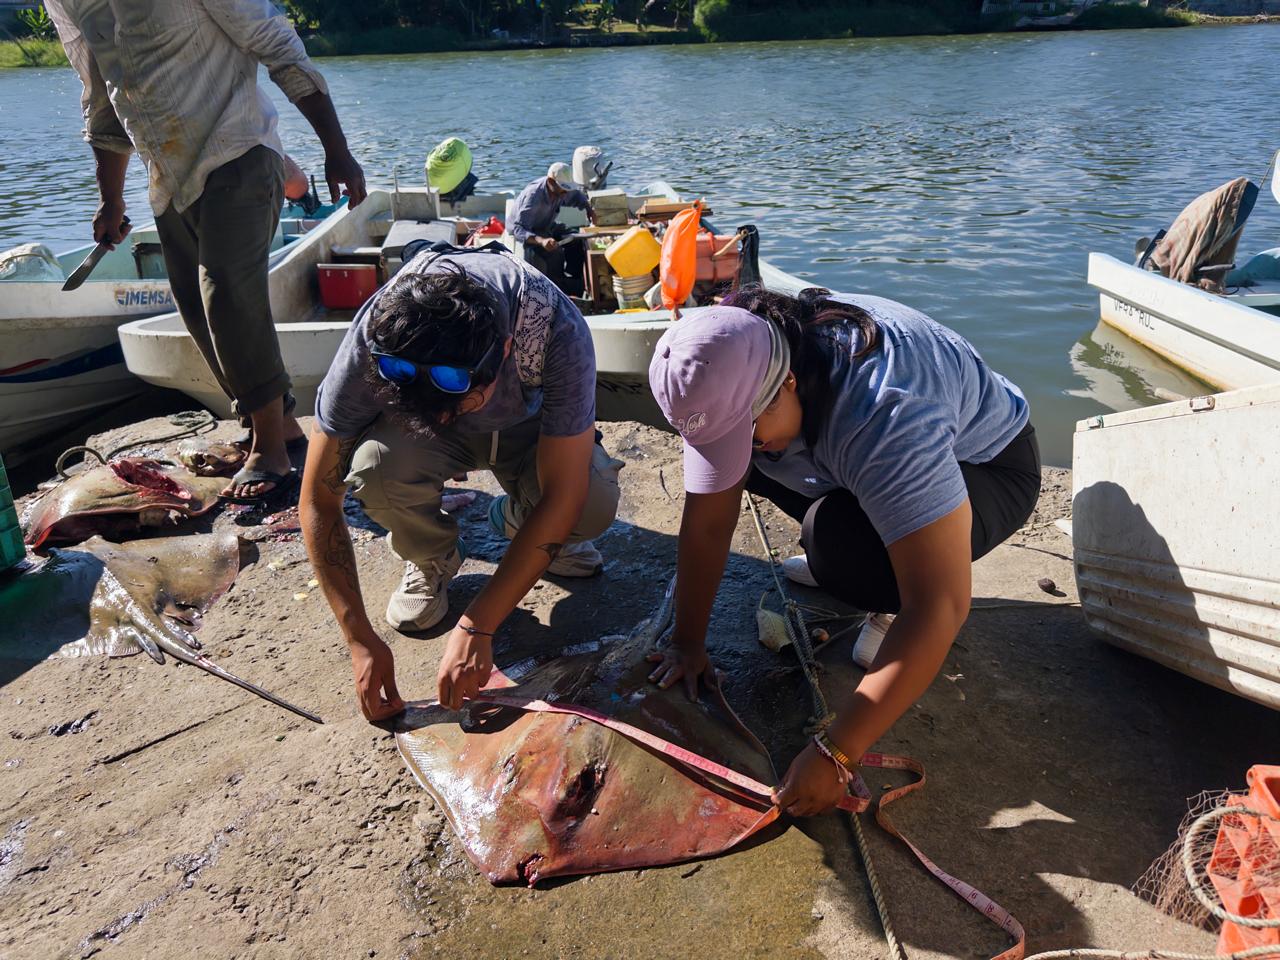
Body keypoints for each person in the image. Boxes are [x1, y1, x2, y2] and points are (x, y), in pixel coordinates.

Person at [646, 286, 1039, 817]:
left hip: (989, 465)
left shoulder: (886, 412)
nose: (743, 447)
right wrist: (687, 643)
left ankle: (884, 585)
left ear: (785, 381)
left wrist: (837, 751)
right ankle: (870, 520)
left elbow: (941, 604)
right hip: (836, 439)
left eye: (748, 430)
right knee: (749, 471)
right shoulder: (729, 347)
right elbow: (709, 520)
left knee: (839, 547)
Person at [47, 0, 366, 501]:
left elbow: (280, 48)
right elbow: (103, 100)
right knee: (195, 308)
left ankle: (269, 450)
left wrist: (337, 150)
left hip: (238, 150)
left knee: (225, 292)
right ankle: (279, 424)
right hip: (168, 175)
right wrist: (110, 199)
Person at [299, 244, 623, 722]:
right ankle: (431, 553)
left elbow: (565, 493)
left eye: (460, 399)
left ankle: (524, 526)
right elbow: (319, 500)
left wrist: (478, 625)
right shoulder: (378, 337)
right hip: (424, 439)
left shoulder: (553, 329)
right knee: (372, 468)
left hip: (527, 433)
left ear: (506, 350)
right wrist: (360, 639)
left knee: (589, 501)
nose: (446, 414)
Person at [510, 162, 591, 296]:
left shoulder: (562, 192)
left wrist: (589, 209)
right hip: (531, 232)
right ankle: (556, 290)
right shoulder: (533, 196)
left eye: (566, 190)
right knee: (556, 253)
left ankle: (573, 280)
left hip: (547, 225)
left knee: (575, 239)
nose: (564, 194)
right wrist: (541, 241)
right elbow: (518, 229)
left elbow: (576, 196)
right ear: (550, 182)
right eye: (562, 189)